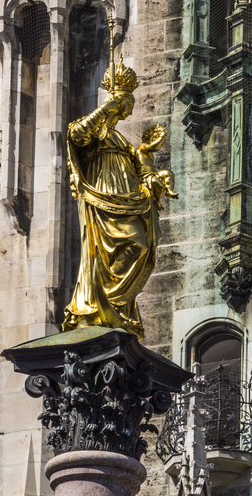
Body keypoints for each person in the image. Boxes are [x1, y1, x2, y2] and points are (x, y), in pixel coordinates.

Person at [63, 55, 175, 337]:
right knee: (115, 251)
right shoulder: (98, 131)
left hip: (127, 198)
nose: (128, 111)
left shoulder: (123, 141)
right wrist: (104, 109)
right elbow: (76, 136)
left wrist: (156, 181)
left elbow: (143, 172)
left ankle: (117, 306)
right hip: (103, 197)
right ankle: (105, 305)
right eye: (125, 105)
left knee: (141, 245)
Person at [135, 125, 179, 206]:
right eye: (158, 140)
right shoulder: (142, 146)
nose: (160, 144)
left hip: (153, 174)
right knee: (160, 185)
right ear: (152, 138)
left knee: (168, 173)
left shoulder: (149, 153)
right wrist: (161, 136)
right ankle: (157, 201)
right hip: (145, 175)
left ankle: (169, 191)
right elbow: (153, 147)